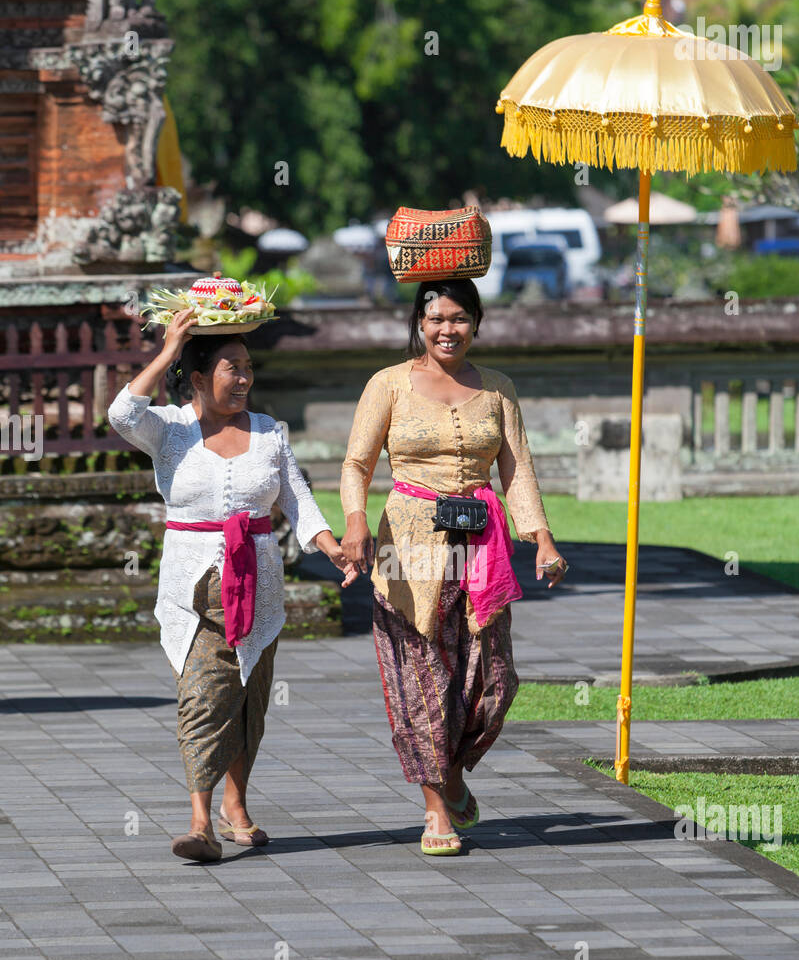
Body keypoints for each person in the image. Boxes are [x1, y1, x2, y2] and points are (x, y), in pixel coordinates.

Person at [108, 307, 358, 861]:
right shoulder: (169, 429)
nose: (243, 378)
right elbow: (122, 412)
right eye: (230, 368)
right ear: (198, 379)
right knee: (203, 696)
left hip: (258, 584)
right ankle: (200, 821)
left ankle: (235, 804)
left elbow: (297, 498)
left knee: (248, 696)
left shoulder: (270, 432)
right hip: (190, 589)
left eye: (248, 367)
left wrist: (330, 546)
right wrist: (169, 349)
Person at [341, 279, 567, 857]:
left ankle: (453, 769)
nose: (448, 329)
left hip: (482, 546)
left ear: (478, 322)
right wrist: (356, 521)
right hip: (406, 549)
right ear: (419, 322)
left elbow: (518, 472)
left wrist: (540, 539)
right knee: (421, 679)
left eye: (460, 318)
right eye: (436, 317)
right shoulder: (387, 384)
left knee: (495, 680)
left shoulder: (498, 389)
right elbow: (357, 463)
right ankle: (436, 809)